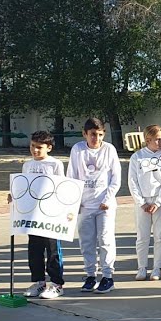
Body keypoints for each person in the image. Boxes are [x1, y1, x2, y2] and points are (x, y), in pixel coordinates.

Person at [9, 130, 67, 299]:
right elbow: (23, 186)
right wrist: (14, 195)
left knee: (52, 250)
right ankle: (39, 282)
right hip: (32, 215)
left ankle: (57, 283)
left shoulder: (55, 164)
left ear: (49, 148)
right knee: (34, 249)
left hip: (50, 216)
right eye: (32, 146)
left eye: (39, 147)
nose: (35, 150)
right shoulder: (27, 165)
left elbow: (62, 187)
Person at [69, 118, 122, 294]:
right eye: (92, 134)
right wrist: (75, 201)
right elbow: (73, 176)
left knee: (105, 239)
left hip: (104, 205)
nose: (96, 139)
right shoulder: (78, 150)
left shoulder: (109, 149)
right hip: (86, 204)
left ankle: (108, 276)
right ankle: (90, 275)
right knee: (87, 241)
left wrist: (107, 199)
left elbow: (115, 178)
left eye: (100, 135)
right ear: (85, 134)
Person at [128, 125, 161, 282]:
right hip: (143, 202)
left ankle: (157, 267)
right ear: (148, 140)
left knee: (160, 236)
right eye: (157, 139)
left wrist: (159, 201)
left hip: (159, 202)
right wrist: (141, 202)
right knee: (142, 236)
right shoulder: (137, 157)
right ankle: (142, 267)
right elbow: (132, 181)